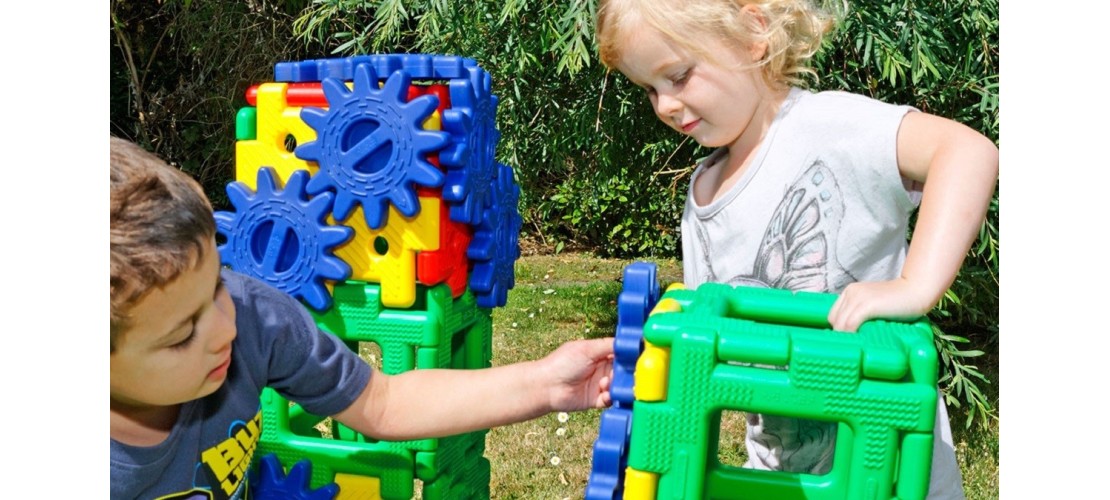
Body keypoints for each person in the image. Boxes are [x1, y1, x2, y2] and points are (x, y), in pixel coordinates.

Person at [594, 0, 998, 498]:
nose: (665, 105)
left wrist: (914, 286)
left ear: (752, 33)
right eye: (649, 89)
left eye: (678, 76)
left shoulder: (827, 127)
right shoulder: (703, 189)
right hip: (775, 467)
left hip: (887, 461)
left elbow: (966, 152)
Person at [109, 136, 616, 499]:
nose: (225, 328)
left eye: (217, 284)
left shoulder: (256, 317)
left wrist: (547, 384)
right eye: (182, 336)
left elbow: (385, 401)